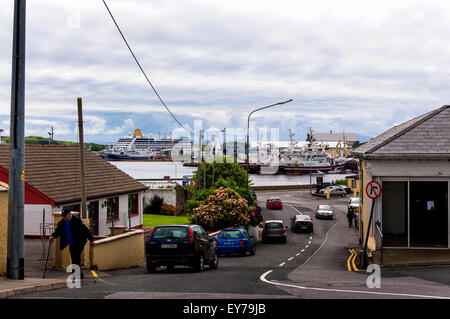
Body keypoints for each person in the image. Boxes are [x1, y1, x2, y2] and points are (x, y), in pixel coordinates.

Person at [50, 207, 95, 279]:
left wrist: (91, 240)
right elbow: (58, 230)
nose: (64, 217)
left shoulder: (76, 220)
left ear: (69, 214)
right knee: (74, 258)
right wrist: (53, 236)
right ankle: (79, 275)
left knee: (75, 258)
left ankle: (76, 275)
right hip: (71, 242)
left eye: (65, 215)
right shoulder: (63, 222)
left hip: (79, 242)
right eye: (63, 216)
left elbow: (85, 230)